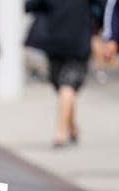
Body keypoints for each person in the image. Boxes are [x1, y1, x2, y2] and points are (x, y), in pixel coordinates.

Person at [24, 0, 95, 147]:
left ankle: (60, 133)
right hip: (75, 39)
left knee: (66, 86)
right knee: (65, 87)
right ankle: (71, 127)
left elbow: (30, 6)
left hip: (59, 40)